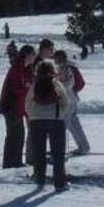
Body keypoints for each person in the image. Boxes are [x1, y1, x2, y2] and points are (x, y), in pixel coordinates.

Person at [24, 58, 70, 191]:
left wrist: (33, 116)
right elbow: (65, 102)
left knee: (39, 153)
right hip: (55, 120)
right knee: (58, 154)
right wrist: (59, 114)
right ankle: (60, 183)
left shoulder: (34, 85)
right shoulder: (56, 84)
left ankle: (39, 180)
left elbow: (27, 104)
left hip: (36, 121)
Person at [0, 45, 33, 169]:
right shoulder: (17, 67)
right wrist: (27, 87)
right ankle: (9, 163)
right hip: (10, 106)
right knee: (13, 134)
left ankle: (16, 161)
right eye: (32, 55)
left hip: (18, 106)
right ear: (27, 55)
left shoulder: (26, 68)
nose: (34, 58)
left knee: (19, 134)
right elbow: (17, 88)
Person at [56, 48, 92, 157]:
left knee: (63, 124)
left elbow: (67, 84)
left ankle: (59, 148)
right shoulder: (71, 67)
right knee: (74, 124)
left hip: (67, 98)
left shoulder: (65, 68)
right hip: (73, 97)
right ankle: (84, 146)